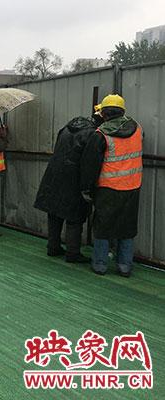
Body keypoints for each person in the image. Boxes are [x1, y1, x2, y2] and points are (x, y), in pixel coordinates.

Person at [80, 94, 143, 278]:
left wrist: (86, 188)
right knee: (127, 227)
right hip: (132, 186)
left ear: (104, 114)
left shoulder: (100, 135)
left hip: (108, 188)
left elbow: (90, 165)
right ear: (123, 111)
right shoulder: (138, 129)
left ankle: (100, 265)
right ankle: (125, 266)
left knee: (102, 227)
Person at [34, 117, 96, 263]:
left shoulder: (65, 129)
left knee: (54, 213)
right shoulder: (92, 134)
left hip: (54, 176)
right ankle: (73, 253)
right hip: (74, 179)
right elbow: (89, 162)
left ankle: (53, 246)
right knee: (75, 217)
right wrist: (88, 186)